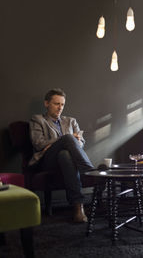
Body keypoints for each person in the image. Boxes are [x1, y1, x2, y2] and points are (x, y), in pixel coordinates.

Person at [29, 88, 94, 222]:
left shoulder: (71, 121)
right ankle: (89, 171)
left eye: (62, 104)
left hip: (66, 160)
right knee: (68, 139)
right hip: (47, 161)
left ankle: (78, 208)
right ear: (47, 104)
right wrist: (66, 139)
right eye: (56, 104)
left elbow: (81, 144)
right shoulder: (38, 120)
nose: (60, 108)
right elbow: (39, 144)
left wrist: (66, 142)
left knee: (65, 154)